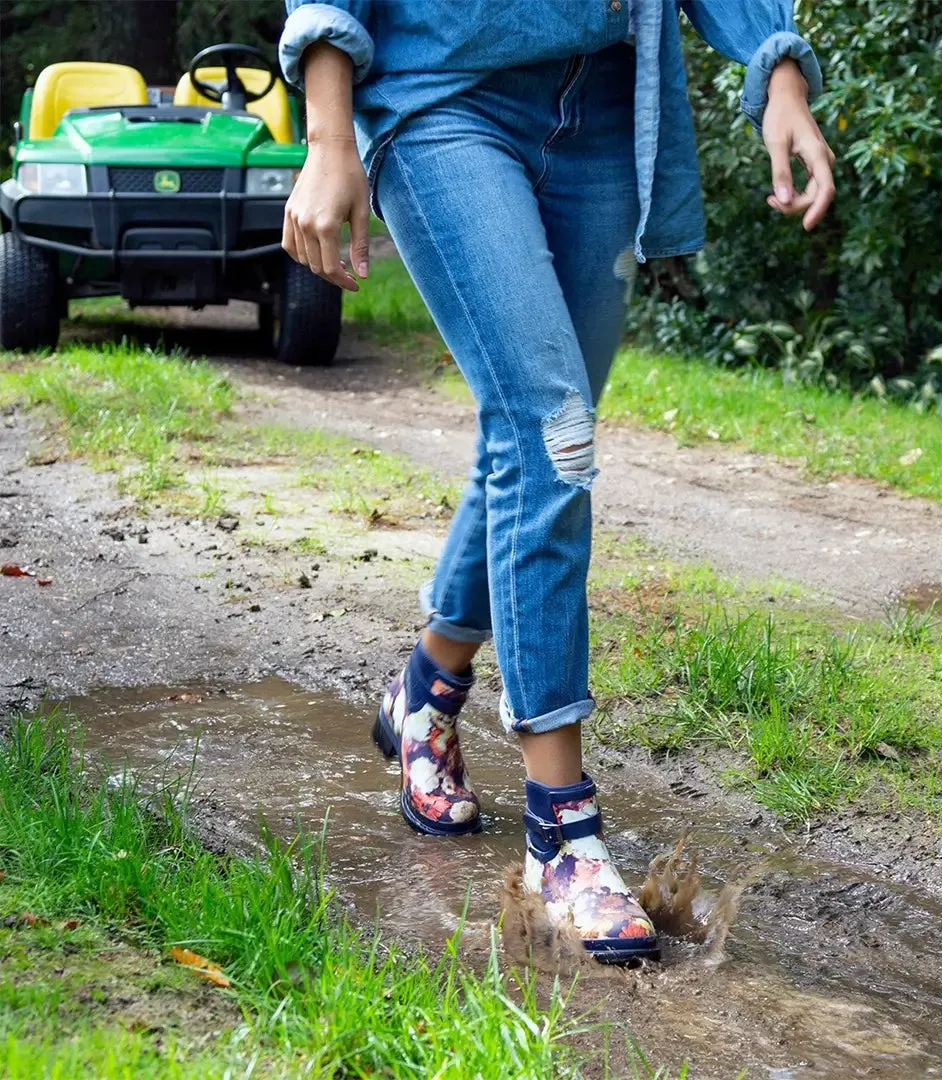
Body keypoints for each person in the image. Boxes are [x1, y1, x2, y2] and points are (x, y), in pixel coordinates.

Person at [278, 0, 835, 964]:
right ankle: (563, 835)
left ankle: (424, 692)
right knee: (552, 434)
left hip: (608, 111)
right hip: (443, 94)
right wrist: (330, 133)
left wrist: (778, 70)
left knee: (534, 438)